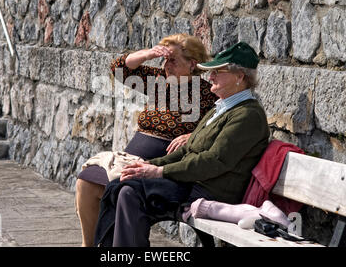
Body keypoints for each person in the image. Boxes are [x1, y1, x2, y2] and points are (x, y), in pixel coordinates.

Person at [93, 41, 270, 247]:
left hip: (208, 190)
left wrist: (160, 172)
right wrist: (150, 165)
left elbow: (214, 161)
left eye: (217, 72)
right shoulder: (220, 108)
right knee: (119, 186)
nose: (210, 76)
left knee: (130, 192)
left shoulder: (248, 114)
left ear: (240, 77)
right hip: (191, 182)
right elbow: (187, 149)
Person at [75, 33, 218, 246]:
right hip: (129, 157)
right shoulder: (159, 81)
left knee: (115, 190)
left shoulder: (207, 93)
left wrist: (192, 135)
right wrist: (148, 54)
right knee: (86, 182)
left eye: (173, 60)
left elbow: (221, 123)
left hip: (158, 168)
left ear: (192, 64)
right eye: (164, 59)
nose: (166, 65)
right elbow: (119, 69)